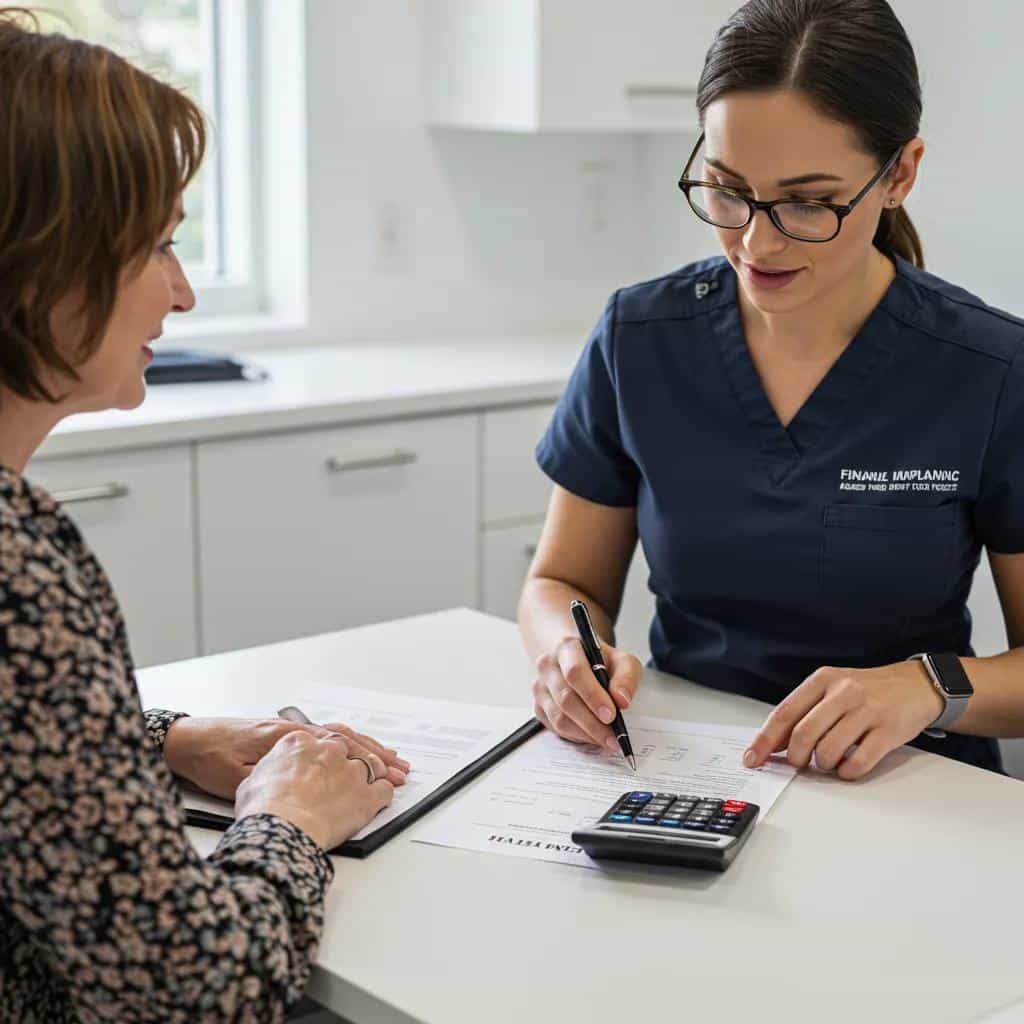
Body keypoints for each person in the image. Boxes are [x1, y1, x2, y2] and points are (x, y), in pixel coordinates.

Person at [0, 10, 409, 1021]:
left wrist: (163, 739)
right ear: (42, 266)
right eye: (157, 248)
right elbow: (198, 993)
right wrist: (288, 816)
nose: (181, 296)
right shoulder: (19, 572)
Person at [520, 0, 1024, 780]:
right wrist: (565, 650)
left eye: (807, 203)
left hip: (911, 786)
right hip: (686, 771)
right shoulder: (639, 337)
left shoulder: (991, 369)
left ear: (901, 173)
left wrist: (928, 687)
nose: (755, 242)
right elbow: (564, 581)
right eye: (726, 189)